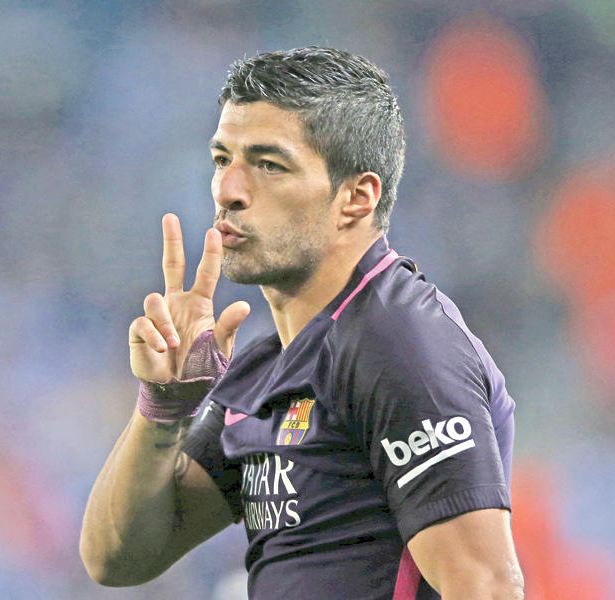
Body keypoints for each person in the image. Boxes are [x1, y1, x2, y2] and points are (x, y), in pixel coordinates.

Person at [80, 46, 523, 600]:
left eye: (269, 165)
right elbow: (118, 557)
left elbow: (487, 586)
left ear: (356, 198)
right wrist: (164, 406)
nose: (228, 191)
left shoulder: (397, 344)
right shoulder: (269, 369)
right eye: (222, 159)